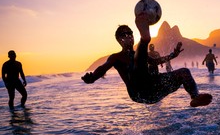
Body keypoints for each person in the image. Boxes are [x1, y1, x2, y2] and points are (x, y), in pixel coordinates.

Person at [81, 13, 212, 107]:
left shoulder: (140, 55)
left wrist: (174, 55)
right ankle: (145, 39)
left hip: (154, 89)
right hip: (139, 92)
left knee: (184, 72)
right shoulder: (116, 57)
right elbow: (103, 68)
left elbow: (155, 62)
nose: (130, 36)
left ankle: (195, 97)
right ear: (119, 40)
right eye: (125, 34)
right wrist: (92, 78)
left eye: (131, 33)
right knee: (138, 59)